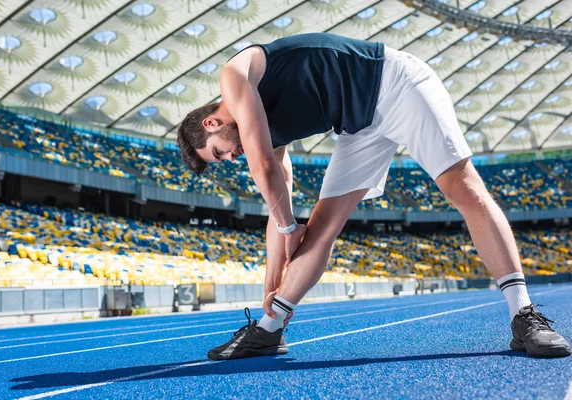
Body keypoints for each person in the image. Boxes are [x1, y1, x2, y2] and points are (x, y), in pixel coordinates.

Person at [176, 32, 571, 360]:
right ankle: (269, 328)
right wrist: (270, 282)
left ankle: (523, 314)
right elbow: (279, 202)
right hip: (360, 125)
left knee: (464, 190)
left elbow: (264, 171)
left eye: (219, 152)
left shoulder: (234, 75)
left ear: (211, 123)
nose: (231, 156)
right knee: (320, 227)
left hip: (397, 85)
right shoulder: (261, 131)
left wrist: (286, 227)